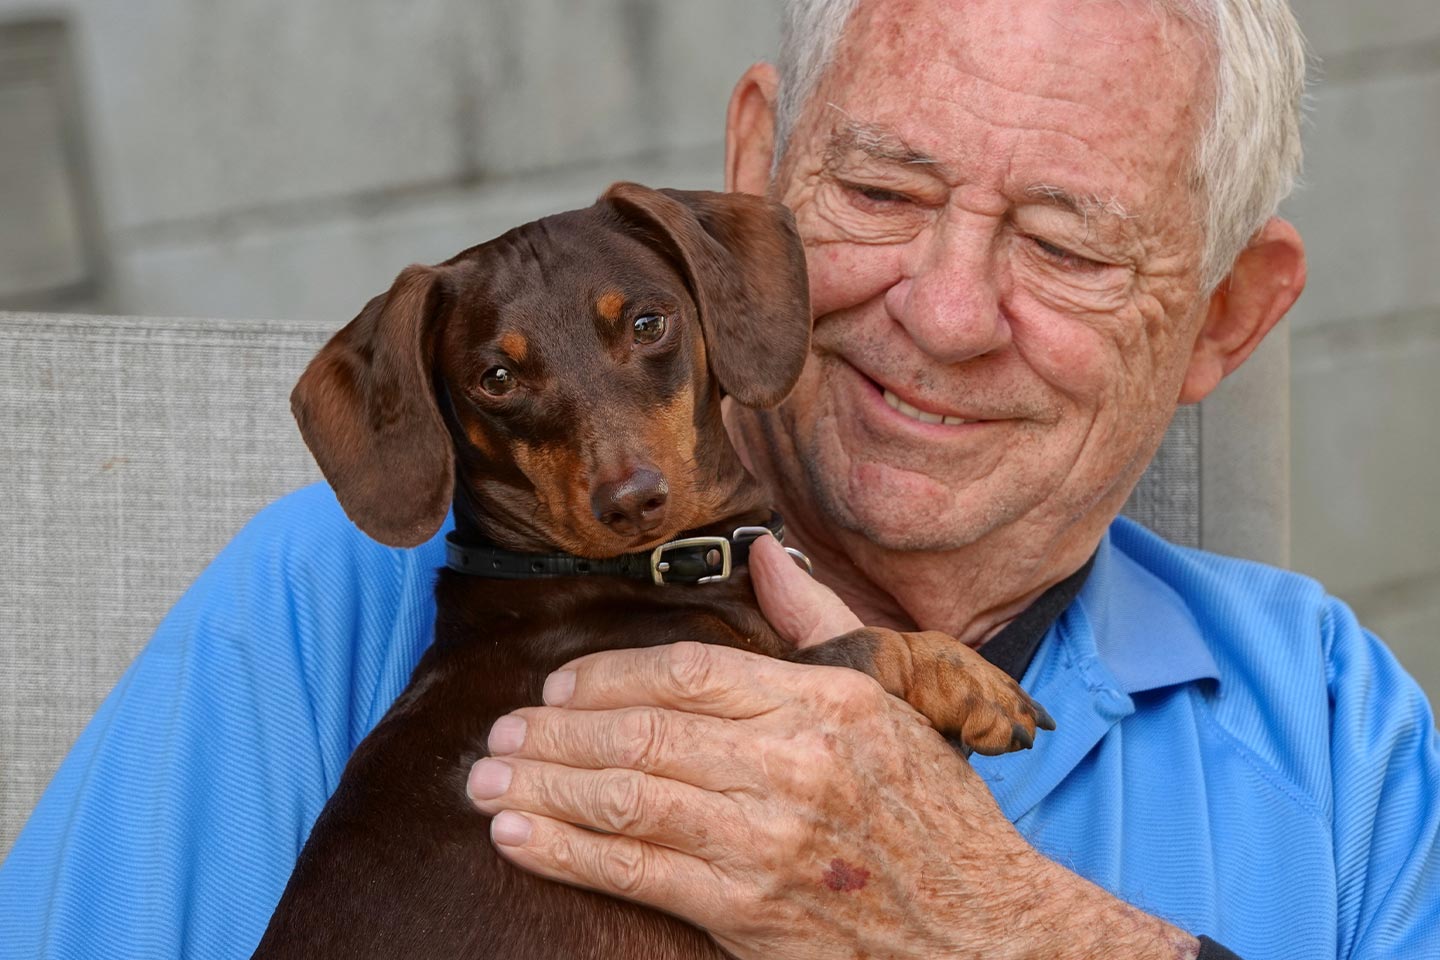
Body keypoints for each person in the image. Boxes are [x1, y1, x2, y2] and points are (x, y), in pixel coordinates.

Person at [2, 0, 1436, 957]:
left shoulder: (1338, 739)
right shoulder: (329, 607)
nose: (942, 314)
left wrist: (1005, 929)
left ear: (1228, 317)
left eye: (1066, 245)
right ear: (754, 169)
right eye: (881, 195)